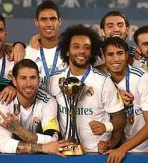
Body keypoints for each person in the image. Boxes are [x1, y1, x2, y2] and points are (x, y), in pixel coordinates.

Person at [46, 25, 125, 155]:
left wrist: (106, 128)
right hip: (63, 152)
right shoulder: (54, 80)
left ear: (92, 51)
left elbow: (121, 118)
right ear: (67, 51)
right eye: (76, 47)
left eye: (87, 47)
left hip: (95, 154)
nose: (82, 51)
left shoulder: (103, 81)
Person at [100, 36, 148, 163]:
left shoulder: (142, 78)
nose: (116, 59)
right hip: (124, 153)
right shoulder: (102, 81)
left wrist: (122, 149)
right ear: (103, 56)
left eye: (120, 53)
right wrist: (109, 144)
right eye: (110, 54)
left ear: (127, 55)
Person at [0, 60, 71, 155]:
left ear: (39, 80)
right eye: (23, 78)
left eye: (33, 78)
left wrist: (19, 130)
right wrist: (42, 147)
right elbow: (5, 145)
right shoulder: (3, 101)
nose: (28, 84)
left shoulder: (48, 102)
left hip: (34, 158)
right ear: (14, 81)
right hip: (1, 158)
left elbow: (53, 140)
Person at [26, 0, 63, 78]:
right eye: (44, 19)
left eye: (53, 19)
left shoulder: (70, 50)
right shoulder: (27, 53)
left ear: (59, 22)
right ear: (36, 22)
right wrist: (18, 45)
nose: (49, 24)